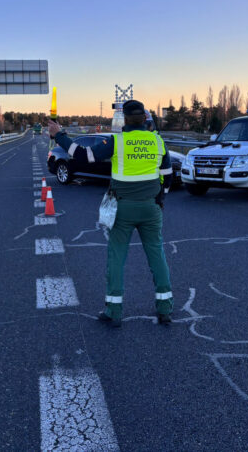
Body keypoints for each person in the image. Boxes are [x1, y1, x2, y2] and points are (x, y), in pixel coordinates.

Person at [48, 100, 174, 328]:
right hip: (151, 207)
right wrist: (160, 198)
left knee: (117, 257)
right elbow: (167, 174)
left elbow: (82, 155)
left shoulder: (117, 141)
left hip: (123, 208)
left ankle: (114, 310)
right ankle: (165, 308)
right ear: (145, 119)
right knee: (157, 255)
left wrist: (59, 135)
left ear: (124, 119)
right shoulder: (157, 141)